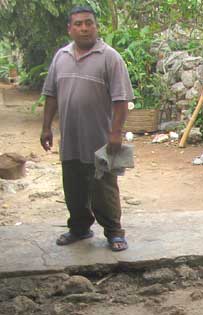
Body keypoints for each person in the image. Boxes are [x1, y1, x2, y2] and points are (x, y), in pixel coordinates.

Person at [40, 5, 134, 252]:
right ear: (70, 29)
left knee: (104, 188)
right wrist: (46, 127)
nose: (84, 28)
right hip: (70, 138)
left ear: (96, 26)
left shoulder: (110, 57)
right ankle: (79, 228)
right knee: (73, 186)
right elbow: (51, 95)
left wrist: (115, 133)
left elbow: (121, 100)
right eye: (78, 24)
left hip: (100, 139)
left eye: (88, 23)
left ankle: (114, 232)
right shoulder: (61, 56)